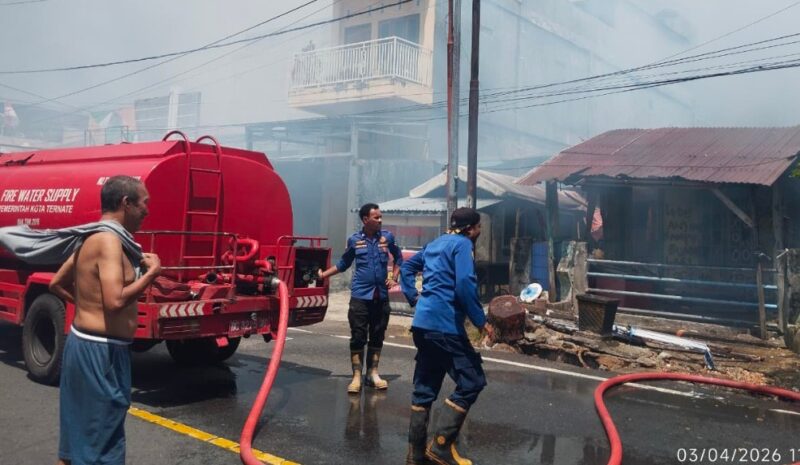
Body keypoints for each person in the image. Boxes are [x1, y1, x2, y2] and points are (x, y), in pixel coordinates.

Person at [49, 175, 161, 465]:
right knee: (103, 442)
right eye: (144, 203)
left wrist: (87, 307)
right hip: (102, 353)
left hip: (83, 345)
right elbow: (114, 301)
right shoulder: (110, 241)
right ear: (126, 203)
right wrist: (151, 274)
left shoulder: (92, 236)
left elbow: (57, 283)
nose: (147, 211)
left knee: (76, 440)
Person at [399, 207, 493, 465]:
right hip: (444, 326)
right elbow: (464, 284)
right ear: (470, 229)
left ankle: (415, 455)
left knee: (425, 388)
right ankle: (441, 446)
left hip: (422, 325)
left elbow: (406, 268)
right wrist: (481, 321)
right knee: (472, 381)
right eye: (478, 227)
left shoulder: (435, 244)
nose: (479, 231)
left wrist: (414, 298)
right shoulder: (462, 245)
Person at [318, 203, 403, 394]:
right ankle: (357, 376)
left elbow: (399, 258)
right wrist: (324, 275)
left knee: (378, 334)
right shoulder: (354, 240)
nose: (380, 220)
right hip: (360, 297)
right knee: (358, 336)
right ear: (365, 220)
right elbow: (343, 264)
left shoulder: (387, 238)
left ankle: (372, 374)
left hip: (381, 296)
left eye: (381, 217)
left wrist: (394, 276)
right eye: (376, 217)